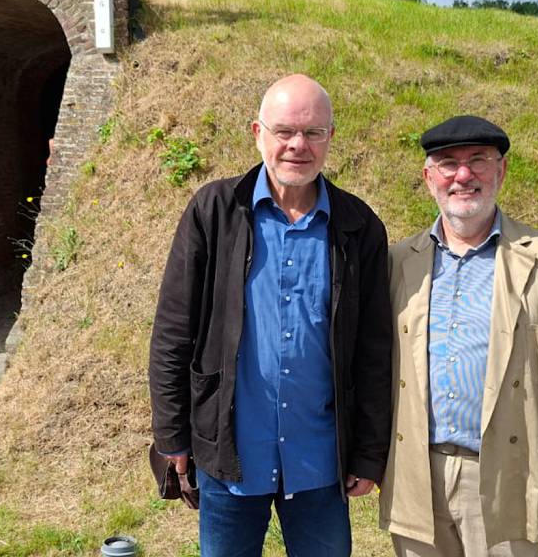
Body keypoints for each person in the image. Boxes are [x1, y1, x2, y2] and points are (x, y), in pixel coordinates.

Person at [149, 74, 393, 557]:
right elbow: (174, 330)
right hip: (231, 454)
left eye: (313, 132)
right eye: (284, 131)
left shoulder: (358, 225)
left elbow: (374, 350)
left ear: (330, 137)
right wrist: (171, 435)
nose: (298, 145)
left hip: (319, 460)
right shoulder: (213, 211)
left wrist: (368, 452)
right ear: (258, 133)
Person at [379, 115, 538, 557]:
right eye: (448, 163)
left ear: (501, 170)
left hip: (505, 472)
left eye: (478, 161)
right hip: (416, 473)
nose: (463, 175)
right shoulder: (398, 262)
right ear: (429, 178)